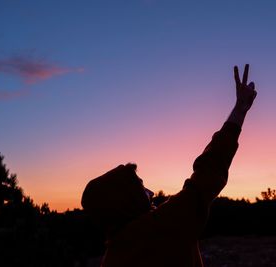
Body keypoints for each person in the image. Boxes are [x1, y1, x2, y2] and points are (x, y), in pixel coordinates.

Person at [81, 64, 257, 267]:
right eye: (141, 187)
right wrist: (240, 110)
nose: (152, 192)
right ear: (126, 201)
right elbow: (208, 172)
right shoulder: (162, 225)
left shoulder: (112, 258)